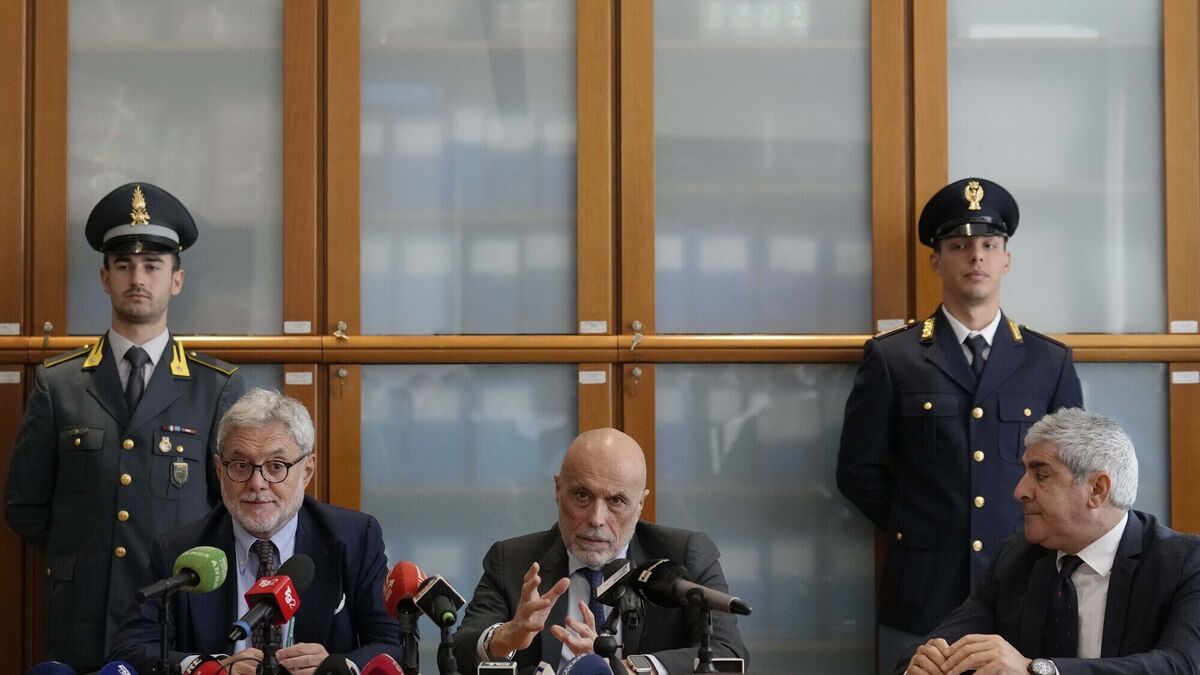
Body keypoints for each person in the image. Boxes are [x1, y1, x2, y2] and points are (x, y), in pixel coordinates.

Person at [836, 177, 1084, 672]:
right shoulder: (893, 358)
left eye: (989, 245)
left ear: (1006, 260)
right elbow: (858, 472)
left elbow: (1072, 474)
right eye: (959, 246)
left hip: (1026, 587)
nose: (976, 257)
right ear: (936, 260)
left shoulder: (1048, 361)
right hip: (924, 591)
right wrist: (921, 525)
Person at [4, 182, 245, 671]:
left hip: (177, 614)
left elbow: (232, 510)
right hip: (82, 616)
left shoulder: (214, 387)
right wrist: (84, 555)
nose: (138, 278)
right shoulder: (59, 383)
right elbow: (24, 506)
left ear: (176, 280)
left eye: (153, 265)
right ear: (104, 277)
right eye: (124, 265)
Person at [109, 388, 403, 674]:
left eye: (276, 466)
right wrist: (209, 669)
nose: (257, 483)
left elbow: (394, 644)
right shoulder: (181, 550)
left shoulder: (354, 538)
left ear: (307, 471)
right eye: (240, 465)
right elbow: (129, 650)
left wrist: (340, 667)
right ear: (219, 470)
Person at [900, 408, 1200, 674]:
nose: (1020, 491)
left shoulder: (1184, 564)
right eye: (1025, 472)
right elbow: (935, 648)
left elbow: (1181, 665)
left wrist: (1040, 671)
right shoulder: (1015, 559)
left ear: (1097, 489)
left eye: (1041, 475)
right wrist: (925, 665)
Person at [452, 428, 748, 675]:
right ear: (558, 490)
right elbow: (457, 656)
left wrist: (627, 670)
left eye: (616, 501)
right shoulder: (512, 560)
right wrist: (506, 637)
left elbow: (728, 653)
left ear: (640, 504)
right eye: (582, 495)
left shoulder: (684, 556)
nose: (596, 518)